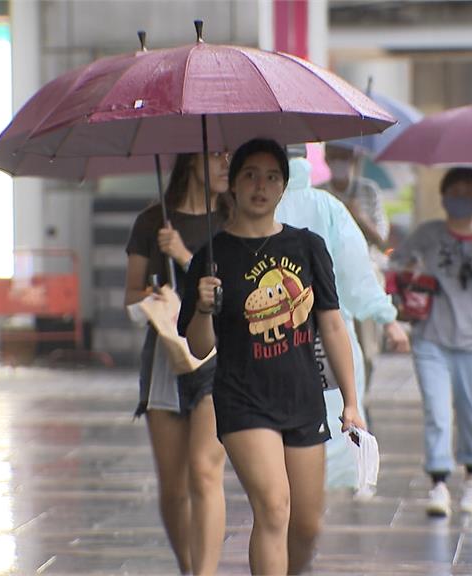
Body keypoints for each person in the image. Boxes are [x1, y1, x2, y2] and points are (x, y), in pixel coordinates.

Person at [178, 139, 366, 575]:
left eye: (271, 177)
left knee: (306, 525)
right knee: (274, 507)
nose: (260, 186)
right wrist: (204, 308)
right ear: (233, 186)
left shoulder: (308, 247)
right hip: (243, 399)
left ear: (284, 187)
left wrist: (352, 402)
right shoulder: (211, 257)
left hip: (303, 397)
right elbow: (200, 346)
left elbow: (333, 325)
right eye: (249, 175)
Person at [275, 145, 409, 494]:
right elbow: (356, 275)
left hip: (269, 336)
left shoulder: (252, 212)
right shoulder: (328, 207)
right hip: (329, 336)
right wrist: (386, 317)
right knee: (333, 425)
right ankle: (314, 501)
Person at [123, 152, 230, 575]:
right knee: (173, 488)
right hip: (166, 360)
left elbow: (234, 294)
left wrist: (186, 257)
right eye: (217, 155)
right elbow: (130, 296)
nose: (226, 164)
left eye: (229, 156)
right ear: (190, 161)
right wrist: (155, 297)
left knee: (205, 471)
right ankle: (189, 567)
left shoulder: (231, 219)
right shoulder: (153, 222)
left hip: (219, 359)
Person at [389, 167, 472, 517]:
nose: (459, 199)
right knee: (438, 412)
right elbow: (396, 267)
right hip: (431, 338)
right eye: (453, 191)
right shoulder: (427, 234)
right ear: (443, 197)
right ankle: (439, 484)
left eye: (467, 192)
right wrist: (408, 279)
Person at [321, 142, 391, 392]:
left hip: (364, 273)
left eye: (345, 156)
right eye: (335, 155)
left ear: (354, 158)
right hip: (329, 275)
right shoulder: (319, 194)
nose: (340, 161)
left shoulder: (368, 191)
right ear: (327, 158)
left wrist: (358, 217)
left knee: (368, 348)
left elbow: (382, 240)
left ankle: (363, 395)